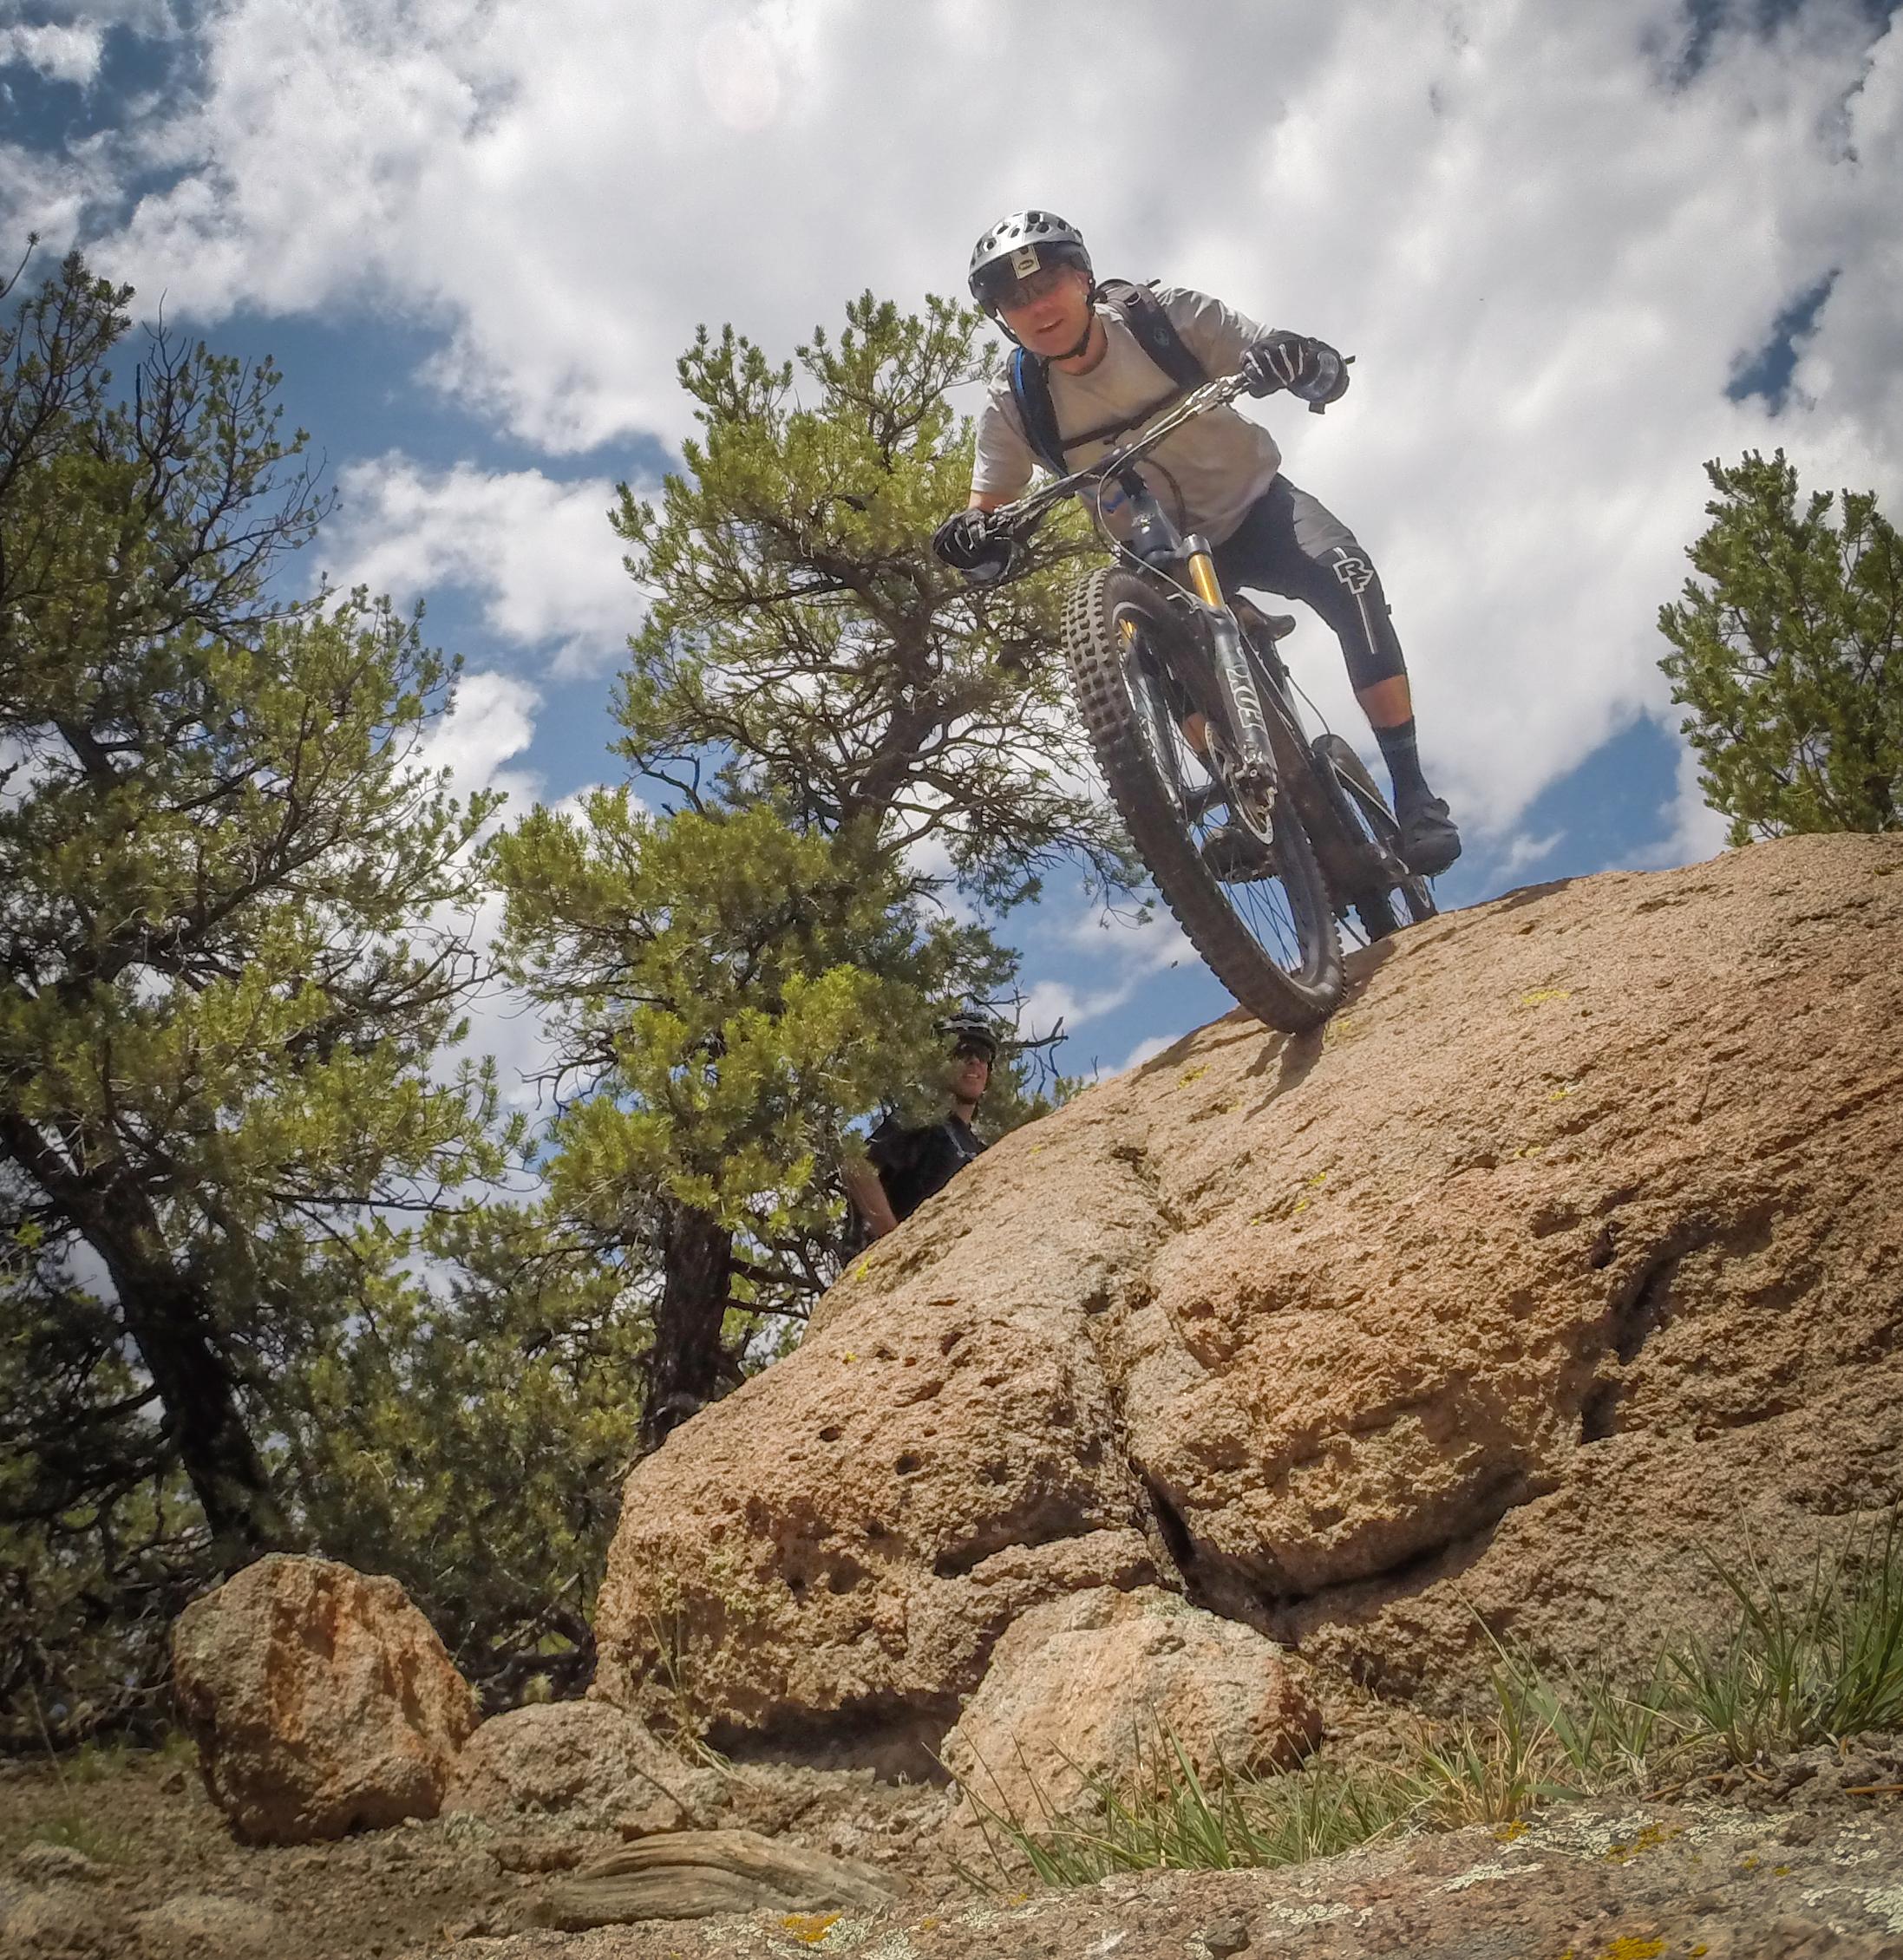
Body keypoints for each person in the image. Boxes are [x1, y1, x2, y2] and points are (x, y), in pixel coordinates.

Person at [932, 209, 1461, 879]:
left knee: (1347, 573)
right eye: (1015, 299)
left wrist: (1294, 360)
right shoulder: (1014, 403)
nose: (1037, 308)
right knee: (1151, 657)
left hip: (1256, 508)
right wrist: (971, 534)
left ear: (1086, 278)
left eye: (1050, 285)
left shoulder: (1165, 318)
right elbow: (988, 508)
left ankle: (1413, 794)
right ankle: (1254, 804)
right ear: (1002, 318)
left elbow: (1288, 354)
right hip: (1158, 553)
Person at [843, 1013, 997, 1242]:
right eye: (962, 1051)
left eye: (983, 1054)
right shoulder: (921, 1122)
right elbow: (857, 1166)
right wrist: (894, 1243)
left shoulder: (982, 1150)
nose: (974, 1061)